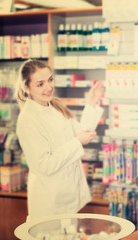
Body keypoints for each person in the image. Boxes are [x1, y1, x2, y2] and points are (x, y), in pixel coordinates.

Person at [16, 59, 104, 221]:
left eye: (50, 80)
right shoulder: (28, 119)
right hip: (49, 203)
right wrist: (77, 142)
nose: (49, 87)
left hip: (67, 196)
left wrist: (91, 100)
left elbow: (82, 131)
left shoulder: (54, 106)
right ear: (27, 88)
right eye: (40, 84)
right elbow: (45, 165)